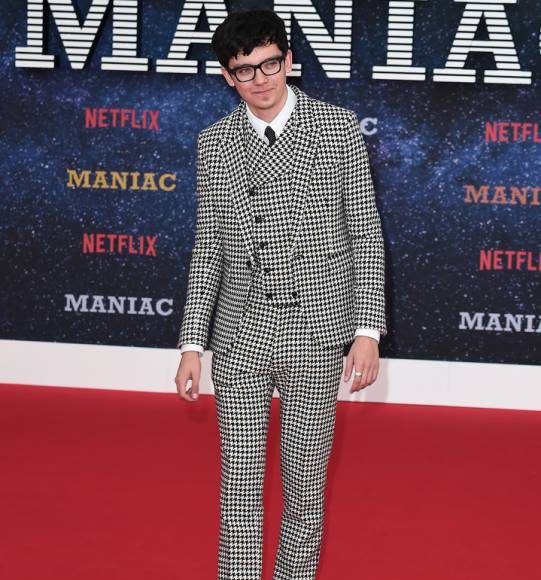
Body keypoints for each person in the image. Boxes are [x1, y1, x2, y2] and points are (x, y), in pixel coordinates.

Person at [174, 9, 386, 580]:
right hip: (241, 334)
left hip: (316, 332)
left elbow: (365, 234)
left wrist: (367, 332)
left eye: (270, 64)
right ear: (228, 77)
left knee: (305, 489)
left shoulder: (338, 129)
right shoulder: (214, 143)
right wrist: (192, 343)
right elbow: (208, 248)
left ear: (289, 61)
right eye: (245, 70)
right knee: (239, 489)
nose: (260, 79)